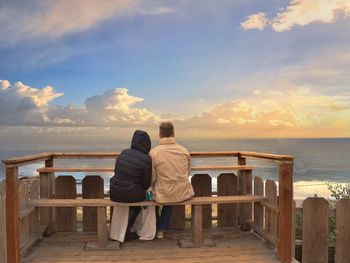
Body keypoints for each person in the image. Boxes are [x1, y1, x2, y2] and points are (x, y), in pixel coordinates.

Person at [109, 130, 156, 244]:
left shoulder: (123, 153)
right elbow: (146, 183)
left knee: (129, 200)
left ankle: (120, 230)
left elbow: (116, 172)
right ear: (147, 144)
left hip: (114, 192)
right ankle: (127, 231)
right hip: (132, 194)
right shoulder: (146, 159)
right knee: (137, 206)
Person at [150, 122, 194, 238]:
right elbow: (187, 172)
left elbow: (152, 177)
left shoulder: (154, 152)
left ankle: (156, 228)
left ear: (160, 134)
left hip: (164, 192)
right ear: (173, 133)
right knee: (171, 192)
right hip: (183, 191)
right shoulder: (184, 151)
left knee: (154, 196)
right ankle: (161, 228)